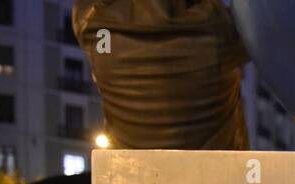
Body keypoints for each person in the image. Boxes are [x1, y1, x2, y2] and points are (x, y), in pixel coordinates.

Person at [73, 0, 250, 150]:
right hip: (218, 180)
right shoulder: (224, 29)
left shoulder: (93, 25)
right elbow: (268, 24)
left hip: (130, 182)